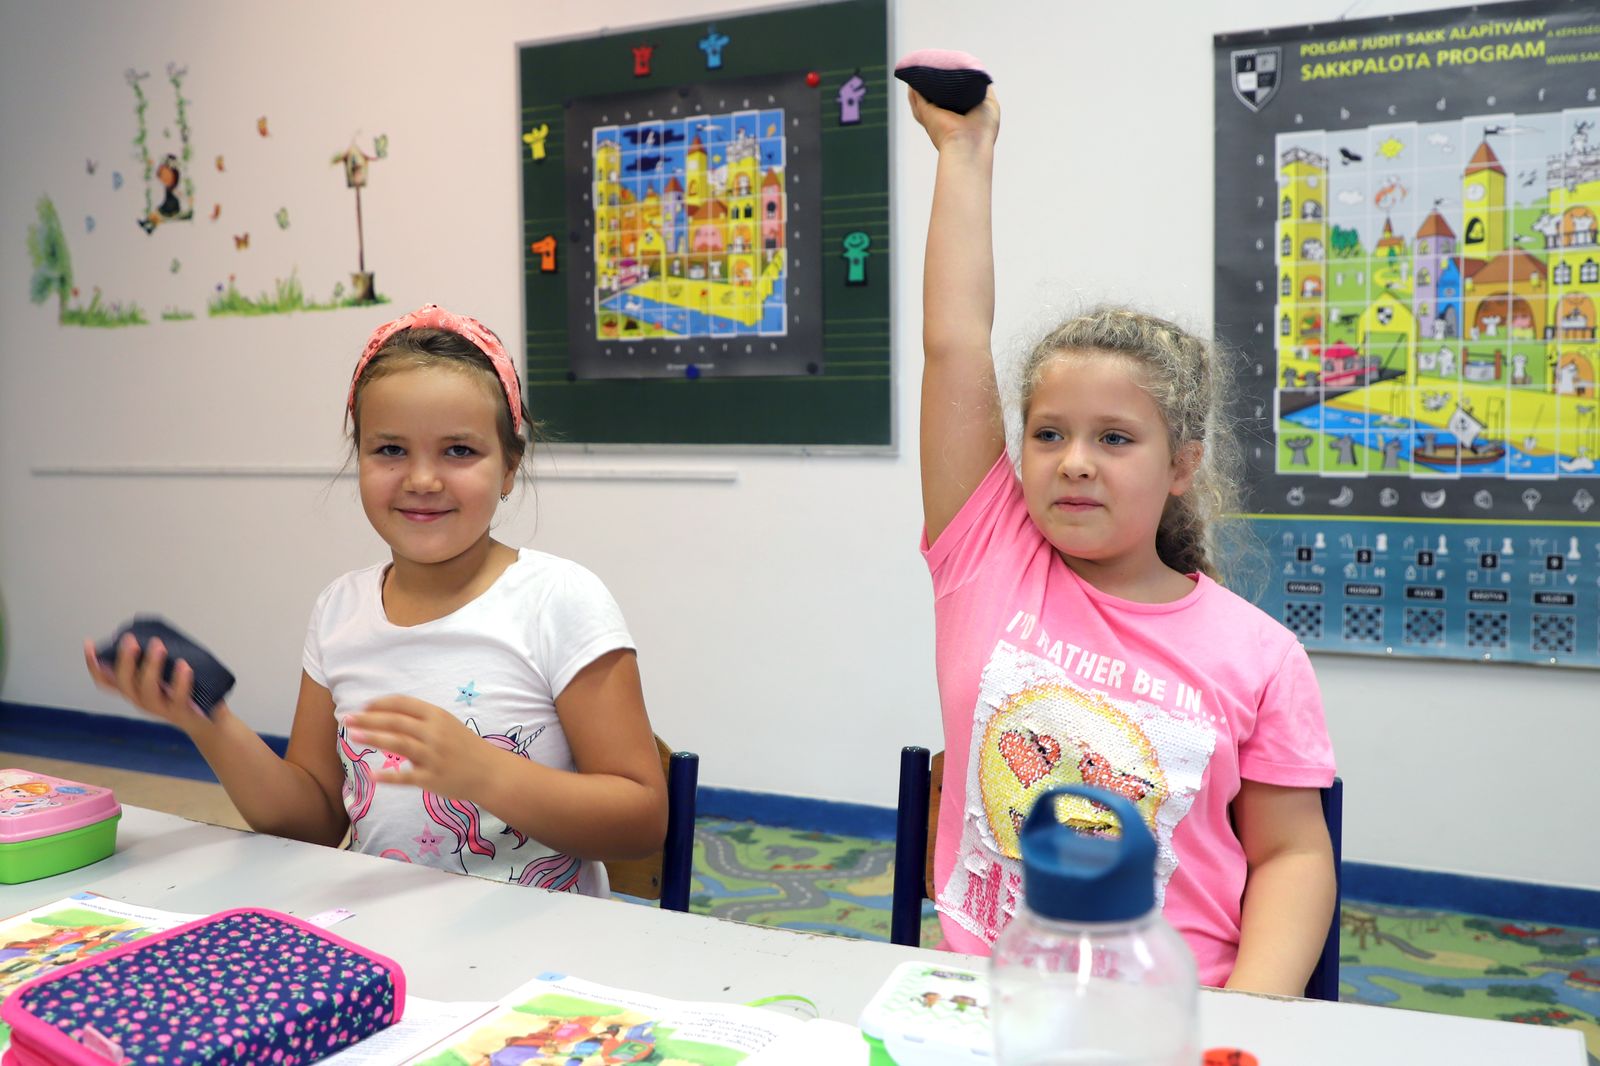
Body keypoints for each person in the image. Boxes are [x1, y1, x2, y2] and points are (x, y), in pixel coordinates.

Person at [908, 83, 1336, 994]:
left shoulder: (1262, 657)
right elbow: (955, 344)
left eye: (1114, 438)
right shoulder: (989, 555)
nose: (1074, 462)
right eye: (1048, 433)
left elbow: (1293, 856)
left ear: (1181, 465)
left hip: (1174, 1009)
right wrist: (963, 153)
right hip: (991, 999)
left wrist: (1246, 1022)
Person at [85, 304, 667, 895]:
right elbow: (312, 824)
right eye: (390, 450)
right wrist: (205, 720)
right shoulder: (340, 610)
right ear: (358, 456)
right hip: (381, 928)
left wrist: (485, 773)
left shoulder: (559, 601)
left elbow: (642, 822)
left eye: (459, 451)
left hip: (541, 937)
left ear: (510, 467)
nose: (422, 480)